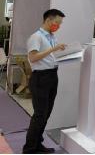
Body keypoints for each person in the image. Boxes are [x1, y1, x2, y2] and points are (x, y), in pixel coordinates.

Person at [23, 9, 67, 154]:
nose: (58, 26)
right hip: (41, 78)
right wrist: (53, 49)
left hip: (52, 75)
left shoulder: (51, 37)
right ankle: (29, 148)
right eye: (57, 23)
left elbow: (49, 57)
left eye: (60, 24)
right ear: (48, 20)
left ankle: (37, 144)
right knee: (40, 114)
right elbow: (33, 58)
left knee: (46, 113)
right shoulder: (36, 37)